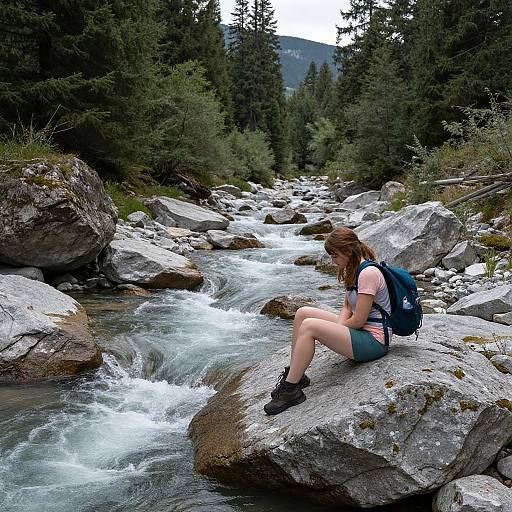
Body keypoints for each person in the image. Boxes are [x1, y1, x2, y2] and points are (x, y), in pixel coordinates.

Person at [264, 227, 392, 415]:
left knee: (310, 327)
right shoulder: (352, 269)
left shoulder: (368, 273)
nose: (332, 261)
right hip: (360, 331)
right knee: (303, 313)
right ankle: (296, 375)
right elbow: (347, 308)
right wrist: (338, 329)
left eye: (334, 256)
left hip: (374, 341)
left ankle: (290, 390)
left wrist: (335, 329)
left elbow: (358, 320)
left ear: (348, 252)